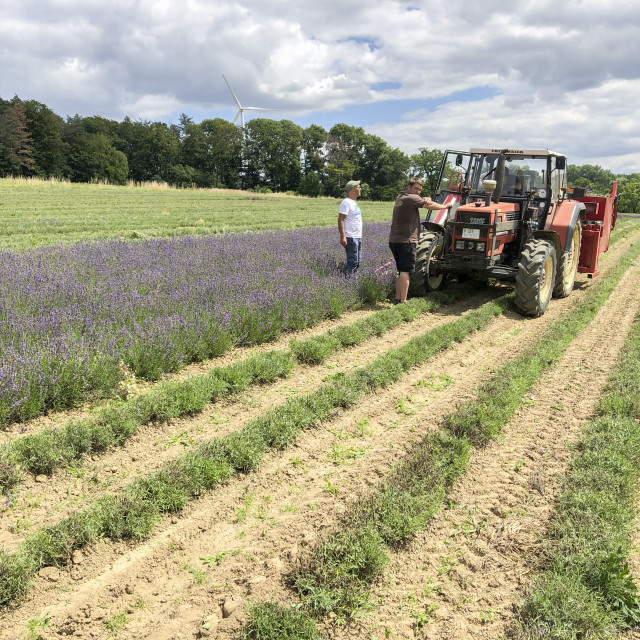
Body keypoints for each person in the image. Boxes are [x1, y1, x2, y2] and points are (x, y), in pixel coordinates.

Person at [389, 177, 453, 304]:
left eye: (420, 190)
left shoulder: (400, 197)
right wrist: (446, 206)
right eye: (416, 188)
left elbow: (422, 200)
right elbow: (428, 205)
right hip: (407, 241)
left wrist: (425, 198)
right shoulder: (412, 198)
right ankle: (403, 301)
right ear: (409, 187)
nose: (418, 191)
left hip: (394, 240)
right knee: (406, 272)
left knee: (401, 271)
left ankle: (397, 298)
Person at [338, 179, 362, 275]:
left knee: (357, 262)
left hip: (357, 236)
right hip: (351, 237)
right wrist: (343, 236)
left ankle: (353, 283)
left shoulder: (353, 202)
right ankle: (349, 282)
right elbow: (341, 219)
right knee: (352, 263)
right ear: (352, 190)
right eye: (358, 187)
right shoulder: (346, 202)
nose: (360, 188)